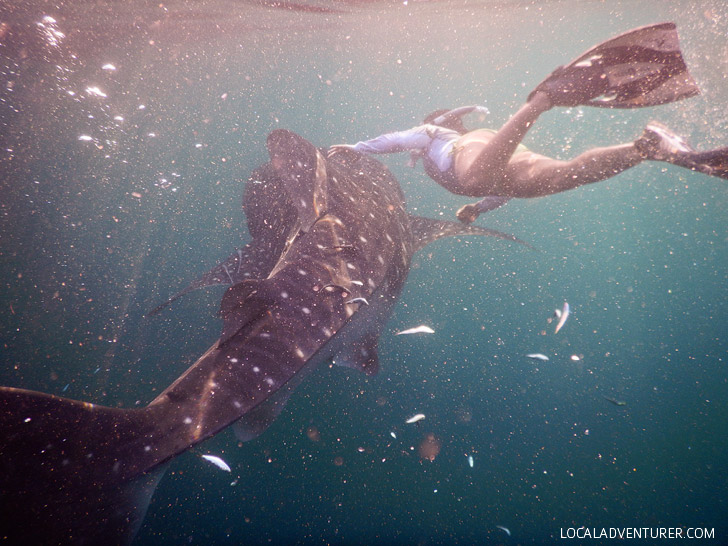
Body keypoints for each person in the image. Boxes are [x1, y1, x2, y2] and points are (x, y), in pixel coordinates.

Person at [330, 23, 728, 224]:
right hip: (501, 169)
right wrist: (479, 211)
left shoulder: (436, 133)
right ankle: (645, 147)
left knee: (477, 179)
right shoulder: (469, 150)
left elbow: (397, 139)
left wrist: (356, 147)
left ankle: (543, 100)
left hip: (478, 157)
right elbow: (498, 188)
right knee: (565, 175)